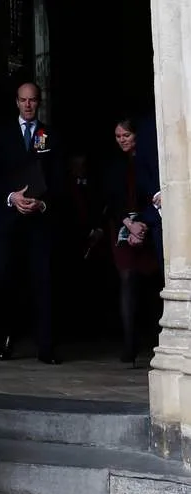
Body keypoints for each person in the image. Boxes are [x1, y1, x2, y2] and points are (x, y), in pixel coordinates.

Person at [0, 82, 62, 364]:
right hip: (8, 222)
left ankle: (46, 346)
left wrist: (42, 203)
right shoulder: (1, 135)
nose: (28, 105)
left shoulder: (50, 135)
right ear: (16, 102)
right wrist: (12, 198)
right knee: (6, 281)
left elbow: (58, 177)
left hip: (40, 221)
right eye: (23, 100)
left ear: (39, 102)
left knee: (43, 282)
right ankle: (6, 339)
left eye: (33, 100)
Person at [105, 117, 163, 364]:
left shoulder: (148, 161)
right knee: (127, 279)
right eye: (118, 137)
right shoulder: (113, 165)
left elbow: (153, 194)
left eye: (126, 136)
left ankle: (156, 338)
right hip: (122, 226)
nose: (122, 141)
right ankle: (129, 344)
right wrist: (128, 224)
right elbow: (109, 199)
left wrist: (144, 225)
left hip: (149, 223)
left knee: (154, 281)